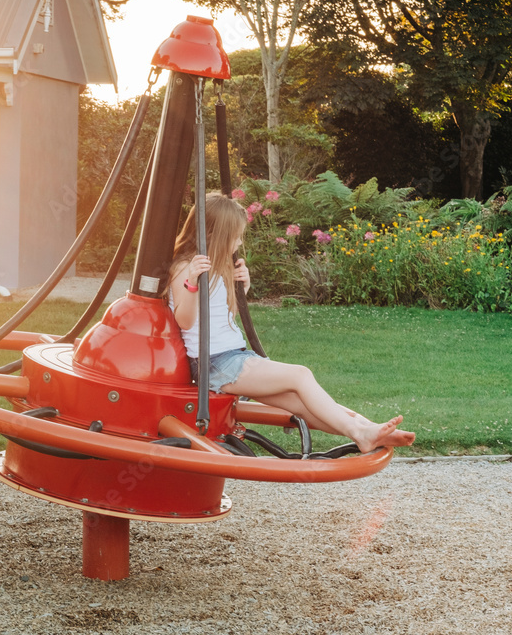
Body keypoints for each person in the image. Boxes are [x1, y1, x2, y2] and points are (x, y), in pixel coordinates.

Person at [168, 193, 415, 453]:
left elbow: (222, 316)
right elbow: (185, 322)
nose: (239, 242)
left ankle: (371, 429)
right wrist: (193, 282)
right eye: (236, 235)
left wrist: (242, 289)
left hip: (233, 357)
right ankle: (361, 433)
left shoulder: (218, 266)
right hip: (214, 363)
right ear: (217, 234)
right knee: (300, 375)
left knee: (300, 402)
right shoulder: (186, 268)